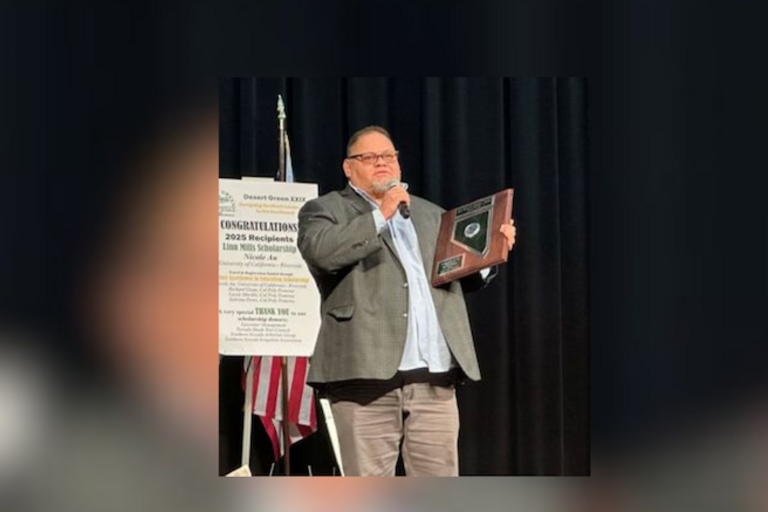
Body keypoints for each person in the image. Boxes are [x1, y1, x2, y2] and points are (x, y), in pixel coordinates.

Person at [297, 125, 516, 476]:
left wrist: (492, 255)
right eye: (368, 157)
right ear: (348, 168)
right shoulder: (324, 209)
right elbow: (322, 253)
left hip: (434, 376)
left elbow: (456, 275)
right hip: (363, 376)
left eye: (388, 156)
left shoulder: (432, 214)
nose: (381, 163)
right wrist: (380, 213)